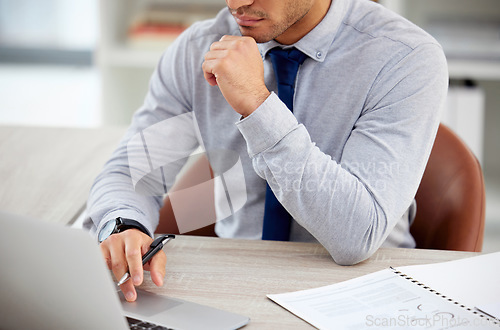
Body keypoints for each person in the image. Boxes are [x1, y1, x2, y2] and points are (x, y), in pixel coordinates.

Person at [84, 0, 448, 302]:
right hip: (235, 287)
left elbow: (356, 237)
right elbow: (131, 173)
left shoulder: (405, 57)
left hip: (363, 292)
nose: (236, 4)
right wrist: (122, 224)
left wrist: (257, 106)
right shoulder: (198, 48)